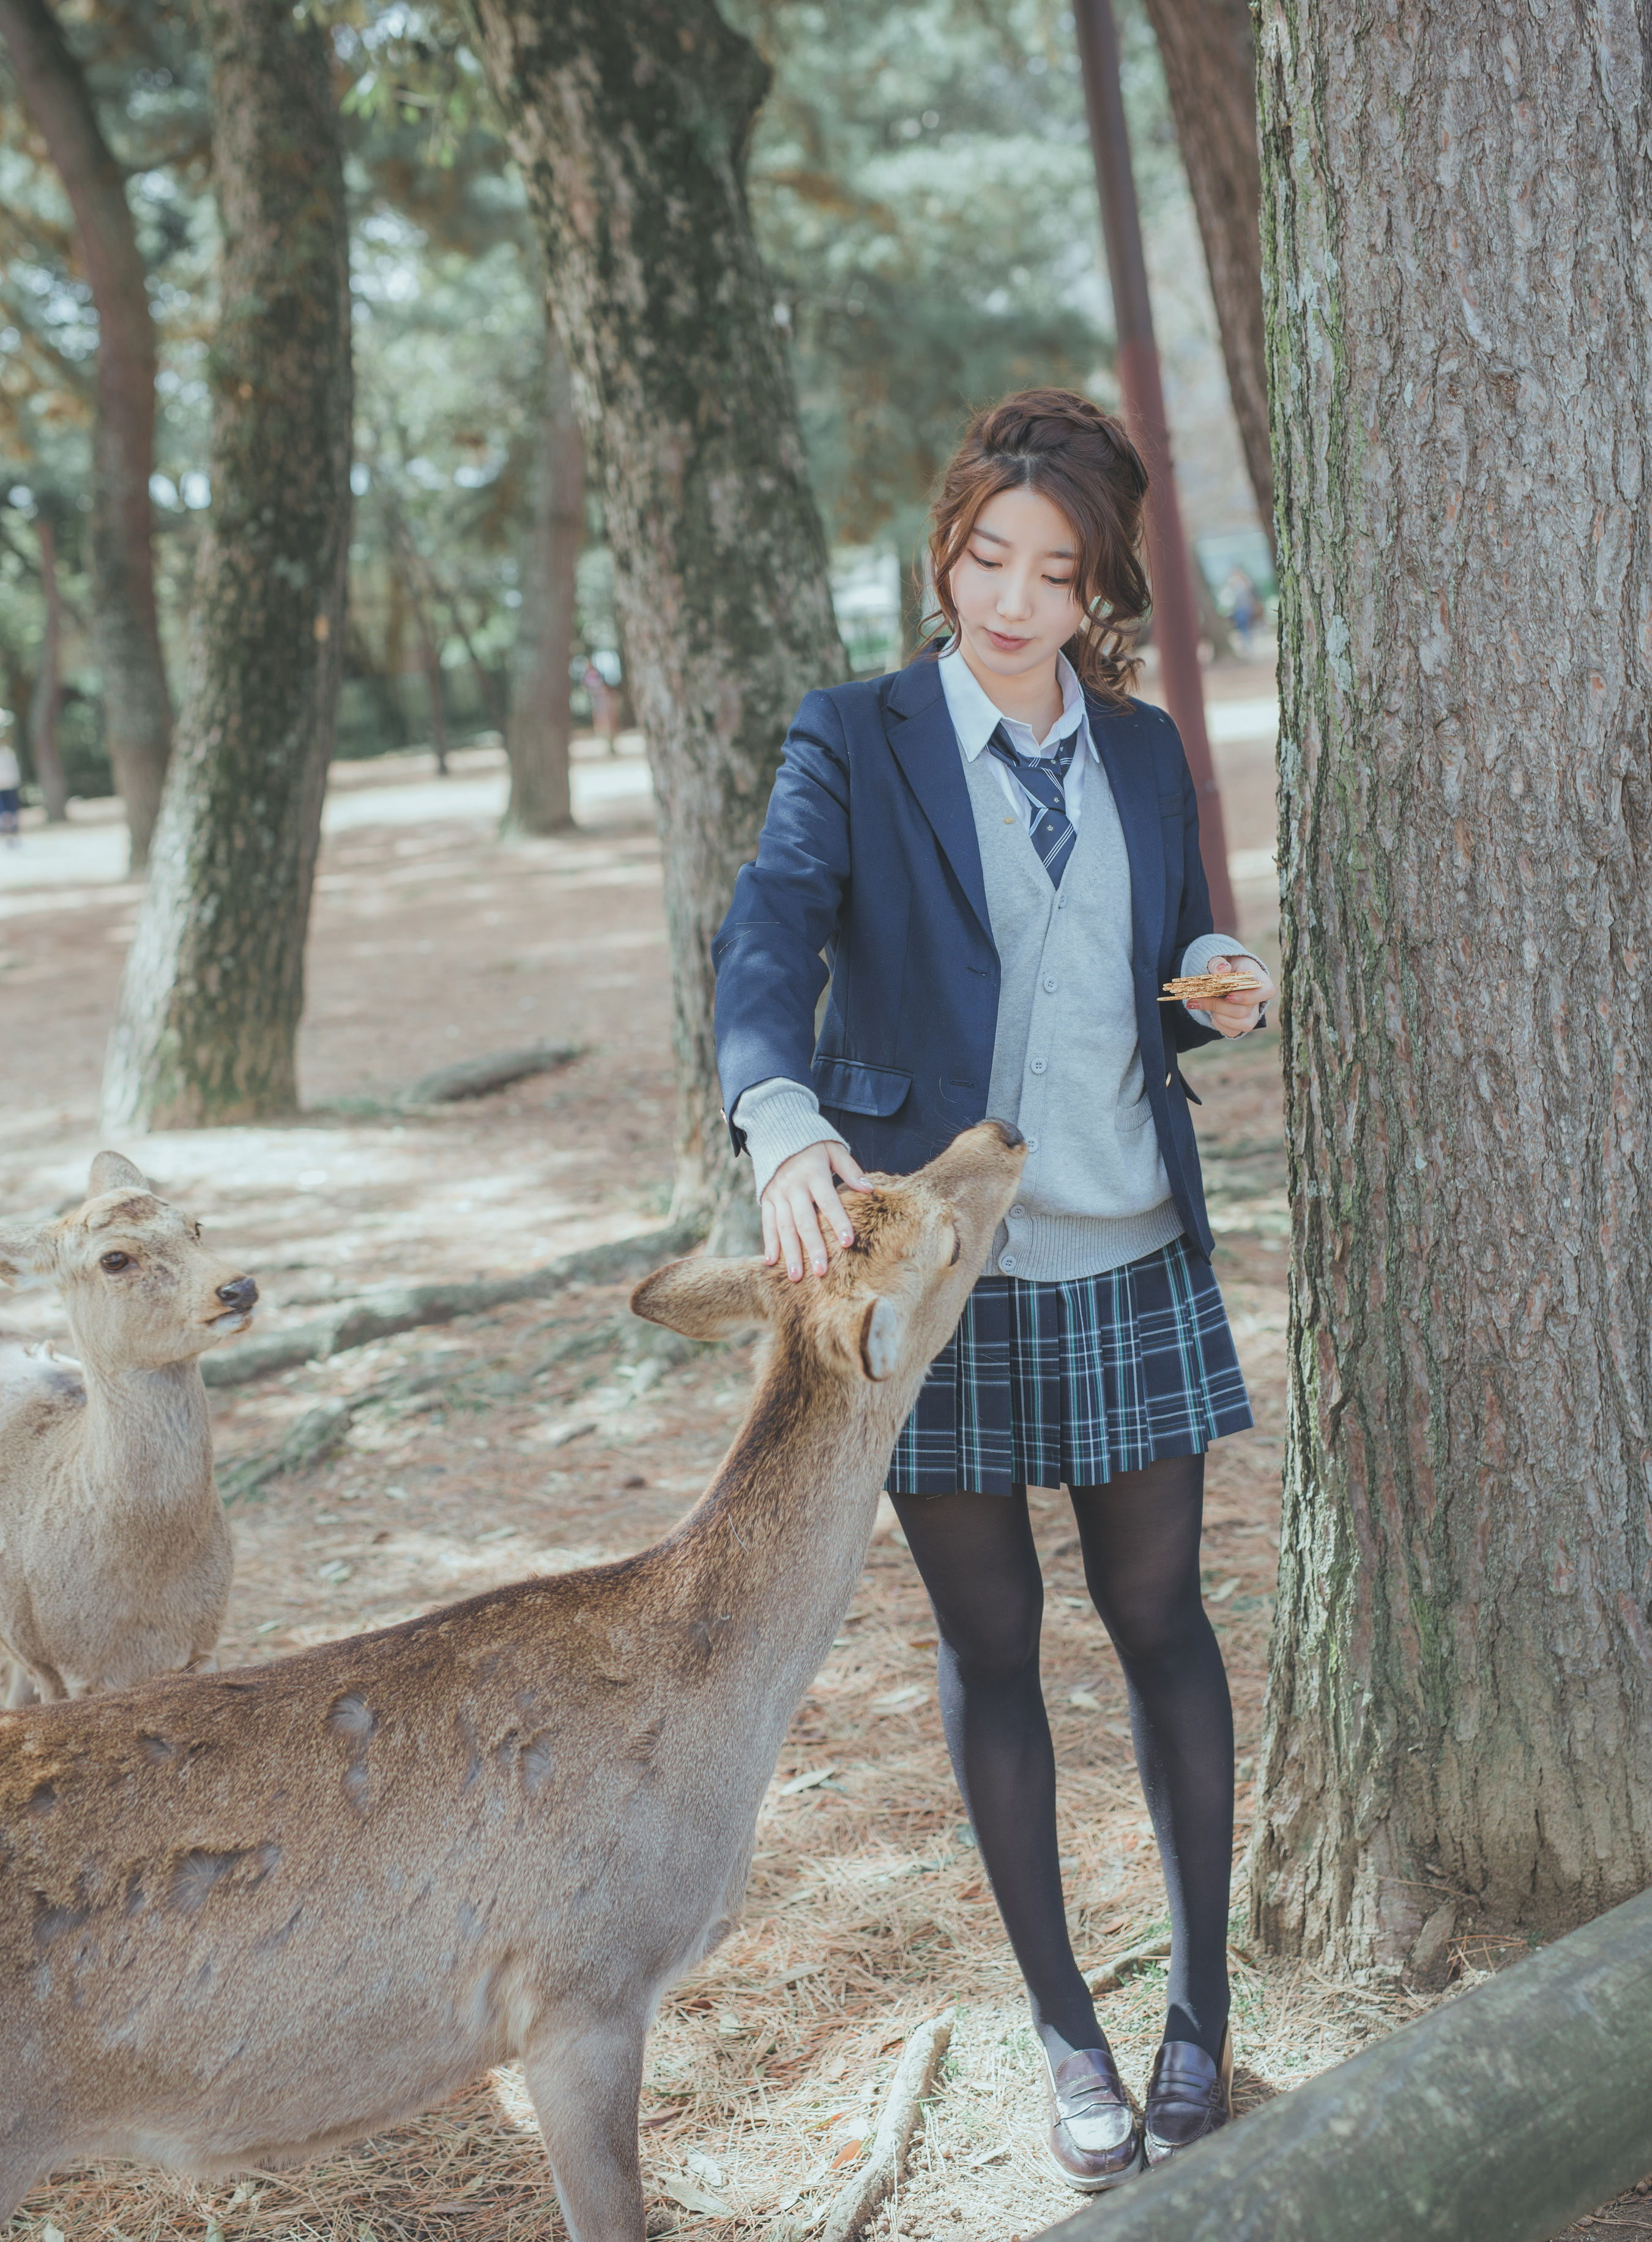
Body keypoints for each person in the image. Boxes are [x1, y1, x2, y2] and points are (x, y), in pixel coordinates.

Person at [713, 389, 1276, 2190]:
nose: (1012, 598)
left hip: (1127, 1246)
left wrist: (1213, 970)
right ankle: (1067, 2037)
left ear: (1097, 584)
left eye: (1054, 570)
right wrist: (780, 1116)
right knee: (994, 1649)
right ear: (948, 548)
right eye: (985, 557)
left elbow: (1180, 929)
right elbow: (769, 935)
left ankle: (1199, 2016)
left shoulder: (1138, 746)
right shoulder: (856, 738)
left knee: (1163, 1623)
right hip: (940, 1274)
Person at [0, 715, 21, 846]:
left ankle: (11, 836)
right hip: (7, 784)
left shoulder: (8, 752)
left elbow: (14, 768)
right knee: (6, 811)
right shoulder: (8, 752)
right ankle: (9, 836)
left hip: (9, 784)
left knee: (9, 811)